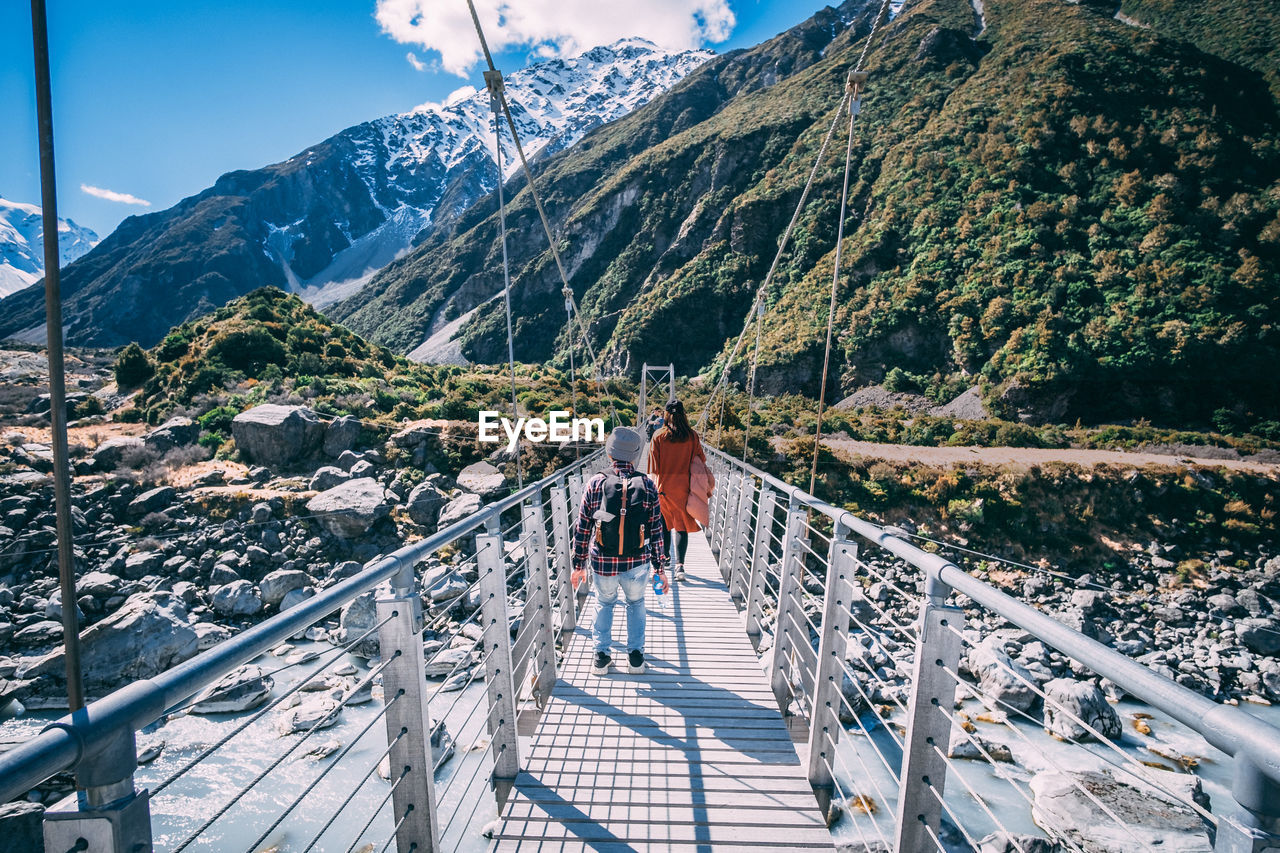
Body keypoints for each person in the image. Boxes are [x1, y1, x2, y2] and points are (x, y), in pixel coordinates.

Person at [571, 426, 670, 675]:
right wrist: (660, 569)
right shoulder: (647, 484)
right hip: (638, 561)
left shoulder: (596, 482)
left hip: (603, 560)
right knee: (636, 603)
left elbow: (583, 525)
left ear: (609, 453)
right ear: (636, 456)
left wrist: (578, 564)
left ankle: (601, 657)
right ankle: (635, 658)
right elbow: (657, 528)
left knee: (604, 603)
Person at [648, 399, 706, 582]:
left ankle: (664, 559)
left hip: (663, 487)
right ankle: (680, 566)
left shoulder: (658, 436)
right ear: (684, 415)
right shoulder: (692, 436)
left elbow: (653, 468)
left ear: (665, 414)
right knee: (681, 525)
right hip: (684, 488)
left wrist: (653, 488)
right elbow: (700, 461)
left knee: (664, 524)